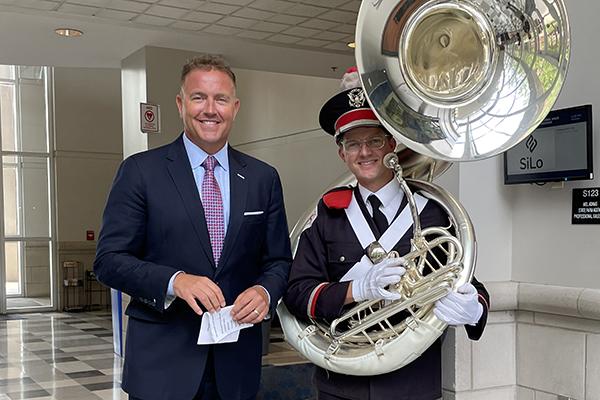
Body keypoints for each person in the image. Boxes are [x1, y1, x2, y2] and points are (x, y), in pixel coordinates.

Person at [283, 67, 489, 400]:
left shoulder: (431, 211)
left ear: (391, 143)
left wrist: (475, 309)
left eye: (374, 140)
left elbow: (466, 281)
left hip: (412, 384)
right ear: (342, 154)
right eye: (353, 144)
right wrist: (356, 290)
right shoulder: (326, 215)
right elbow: (296, 294)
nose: (364, 153)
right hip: (342, 385)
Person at [94, 55, 292, 400]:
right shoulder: (141, 172)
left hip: (236, 367)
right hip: (162, 367)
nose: (210, 109)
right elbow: (109, 260)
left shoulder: (263, 178)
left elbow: (278, 261)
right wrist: (175, 281)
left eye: (221, 99)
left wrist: (264, 293)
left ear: (235, 106)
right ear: (180, 103)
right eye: (199, 97)